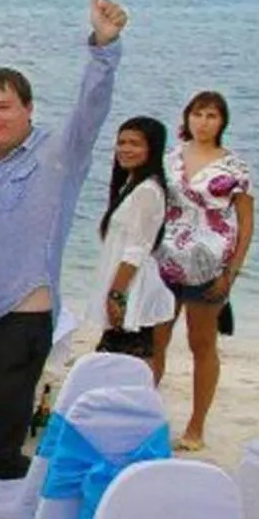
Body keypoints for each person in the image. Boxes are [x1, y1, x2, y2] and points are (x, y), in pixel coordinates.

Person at [0, 0, 128, 479]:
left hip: (18, 321)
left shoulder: (60, 153)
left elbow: (91, 108)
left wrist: (103, 48)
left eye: (2, 105)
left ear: (28, 108)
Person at [151, 90, 256, 451]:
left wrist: (232, 271)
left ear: (222, 122)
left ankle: (196, 427)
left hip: (210, 266)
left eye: (211, 116)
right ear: (187, 117)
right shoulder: (169, 160)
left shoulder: (235, 167)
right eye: (198, 114)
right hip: (165, 263)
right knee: (154, 343)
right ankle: (146, 416)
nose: (203, 122)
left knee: (202, 344)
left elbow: (245, 222)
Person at [87, 116, 174, 365]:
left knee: (122, 363)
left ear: (152, 148)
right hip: (127, 284)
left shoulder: (147, 190)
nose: (125, 149)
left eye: (135, 144)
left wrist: (117, 295)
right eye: (121, 142)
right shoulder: (133, 185)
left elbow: (136, 248)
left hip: (132, 287)